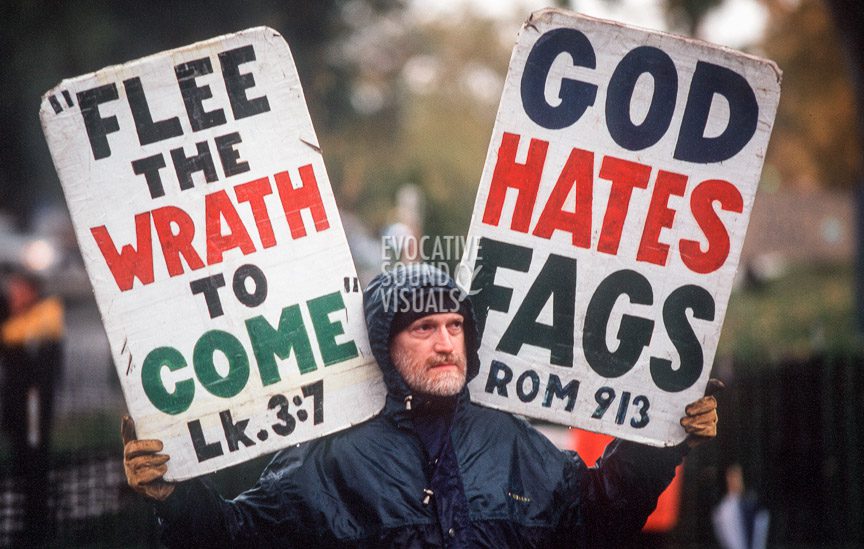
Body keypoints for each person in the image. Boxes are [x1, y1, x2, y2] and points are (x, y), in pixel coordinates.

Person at [123, 264, 720, 548]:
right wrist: (173, 496)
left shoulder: (508, 438)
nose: (445, 344)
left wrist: (662, 436)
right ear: (385, 344)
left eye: (456, 326)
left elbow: (597, 519)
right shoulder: (331, 454)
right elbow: (235, 537)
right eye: (424, 328)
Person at [0, 269, 64, 544]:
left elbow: (16, 336)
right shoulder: (15, 317)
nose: (13, 296)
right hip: (16, 407)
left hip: (35, 408)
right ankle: (29, 524)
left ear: (31, 290)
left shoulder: (46, 314)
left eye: (18, 290)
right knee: (22, 465)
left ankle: (37, 528)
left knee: (35, 463)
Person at [712, 464, 769, 549]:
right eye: (732, 477)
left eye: (738, 477)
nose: (736, 480)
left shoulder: (752, 504)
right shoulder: (722, 510)